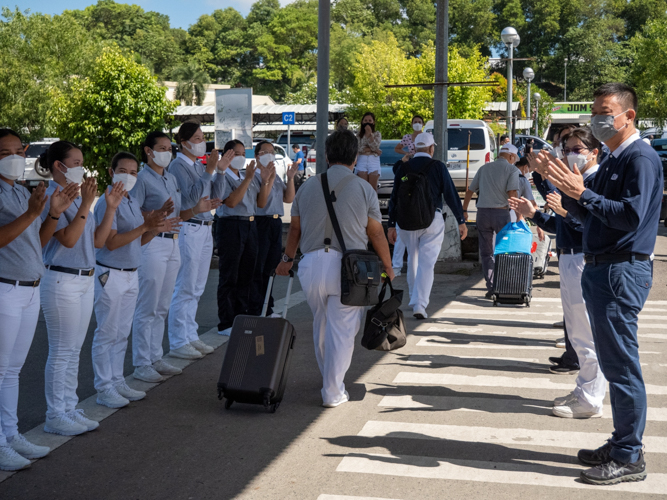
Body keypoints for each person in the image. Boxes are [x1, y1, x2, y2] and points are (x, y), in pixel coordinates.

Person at [546, 83, 662, 486]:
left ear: (628, 115)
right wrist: (570, 194)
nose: (598, 117)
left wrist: (583, 195)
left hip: (619, 270)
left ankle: (630, 455)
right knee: (614, 365)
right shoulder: (615, 158)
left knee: (622, 366)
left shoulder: (640, 158)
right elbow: (593, 216)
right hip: (602, 268)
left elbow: (630, 216)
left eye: (605, 110)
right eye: (596, 109)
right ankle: (621, 442)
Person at [276, 130, 394, 407]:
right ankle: (332, 390)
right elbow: (376, 233)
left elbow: (295, 229)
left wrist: (287, 258)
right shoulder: (364, 188)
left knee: (322, 323)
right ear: (355, 157)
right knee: (342, 328)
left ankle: (329, 377)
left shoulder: (306, 187)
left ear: (327, 156)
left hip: (312, 265)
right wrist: (388, 267)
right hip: (349, 268)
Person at [511, 127, 606, 421]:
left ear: (594, 152)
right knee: (577, 333)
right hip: (569, 256)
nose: (570, 155)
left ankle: (591, 397)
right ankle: (584, 390)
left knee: (587, 334)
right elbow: (558, 226)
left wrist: (562, 210)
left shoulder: (593, 183)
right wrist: (536, 213)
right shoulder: (576, 183)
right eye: (567, 150)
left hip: (583, 258)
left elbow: (592, 225)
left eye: (577, 148)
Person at [0, 128, 78, 471]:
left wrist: (53, 213)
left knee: (12, 371)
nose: (15, 157)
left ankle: (10, 435)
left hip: (29, 287)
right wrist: (34, 213)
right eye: (5, 153)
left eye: (19, 150)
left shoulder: (20, 191)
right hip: (6, 288)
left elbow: (39, 240)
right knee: (1, 370)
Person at [39, 141, 122, 437]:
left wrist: (109, 207)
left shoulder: (78, 197)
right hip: (62, 279)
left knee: (73, 351)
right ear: (58, 166)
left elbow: (98, 242)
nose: (81, 168)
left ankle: (69, 408)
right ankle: (55, 414)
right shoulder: (53, 196)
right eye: (74, 162)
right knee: (61, 351)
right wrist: (86, 204)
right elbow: (69, 240)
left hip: (85, 278)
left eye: (80, 162)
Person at [92, 152, 172, 409]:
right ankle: (104, 387)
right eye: (123, 170)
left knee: (121, 333)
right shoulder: (108, 202)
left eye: (134, 172)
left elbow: (139, 240)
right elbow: (111, 243)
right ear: (110, 172)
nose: (129, 176)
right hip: (111, 272)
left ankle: (117, 380)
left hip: (130, 273)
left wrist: (153, 228)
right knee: (107, 333)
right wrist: (144, 226)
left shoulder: (128, 200)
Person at [387, 133, 467, 319]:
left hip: (406, 222)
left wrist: (391, 224)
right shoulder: (437, 166)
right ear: (432, 149)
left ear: (415, 148)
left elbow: (394, 197)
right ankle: (420, 305)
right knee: (426, 264)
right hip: (432, 220)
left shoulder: (404, 167)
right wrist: (460, 220)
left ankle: (414, 300)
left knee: (413, 261)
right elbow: (450, 194)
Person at [131, 131, 189, 384]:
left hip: (173, 243)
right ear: (148, 151)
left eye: (169, 147)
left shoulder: (171, 177)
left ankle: (155, 356)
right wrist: (155, 216)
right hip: (152, 243)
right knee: (148, 305)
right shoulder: (141, 179)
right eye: (161, 147)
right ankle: (142, 362)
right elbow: (132, 214)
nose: (167, 152)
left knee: (162, 305)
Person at [168, 122, 229, 360]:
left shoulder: (196, 164)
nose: (201, 141)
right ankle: (178, 340)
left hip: (205, 227)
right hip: (189, 227)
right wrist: (209, 171)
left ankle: (190, 335)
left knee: (197, 287)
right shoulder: (178, 166)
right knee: (185, 286)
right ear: (183, 142)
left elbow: (216, 196)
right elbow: (191, 198)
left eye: (202, 137)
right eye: (196, 137)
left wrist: (220, 171)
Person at [216, 140, 274, 335]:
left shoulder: (244, 175)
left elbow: (261, 202)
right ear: (226, 155)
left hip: (250, 224)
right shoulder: (224, 177)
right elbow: (231, 202)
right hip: (231, 225)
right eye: (235, 153)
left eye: (242, 153)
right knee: (230, 274)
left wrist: (266, 180)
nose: (240, 157)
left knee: (247, 273)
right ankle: (226, 321)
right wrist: (248, 179)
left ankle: (241, 316)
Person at [462, 143, 520, 298]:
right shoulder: (512, 169)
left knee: (487, 253)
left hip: (482, 214)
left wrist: (465, 210)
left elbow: (470, 190)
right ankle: (503, 285)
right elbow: (512, 193)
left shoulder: (483, 168)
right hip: (501, 214)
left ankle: (491, 286)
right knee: (504, 251)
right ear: (511, 156)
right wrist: (519, 213)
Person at [253, 141, 299, 317]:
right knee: (260, 266)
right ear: (257, 155)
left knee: (271, 266)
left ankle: (267, 307)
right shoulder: (254, 175)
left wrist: (290, 177)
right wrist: (268, 179)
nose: (269, 155)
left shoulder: (276, 175)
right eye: (265, 152)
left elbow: (288, 198)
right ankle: (258, 308)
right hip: (260, 221)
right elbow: (260, 201)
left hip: (275, 222)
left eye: (272, 152)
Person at [391, 115, 426, 275]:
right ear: (411, 124)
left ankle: (417, 266)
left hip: (420, 204)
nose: (417, 124)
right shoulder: (406, 140)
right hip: (405, 204)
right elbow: (397, 149)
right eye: (415, 122)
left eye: (419, 122)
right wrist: (406, 156)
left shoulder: (427, 137)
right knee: (400, 235)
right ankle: (396, 266)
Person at [356, 112, 382, 191]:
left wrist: (370, 135)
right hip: (362, 160)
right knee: (363, 187)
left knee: (373, 188)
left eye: (370, 121)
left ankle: (373, 203)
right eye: (365, 120)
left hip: (373, 160)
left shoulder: (377, 134)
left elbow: (376, 146)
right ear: (362, 122)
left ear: (373, 122)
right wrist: (374, 150)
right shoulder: (358, 135)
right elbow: (358, 148)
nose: (367, 122)